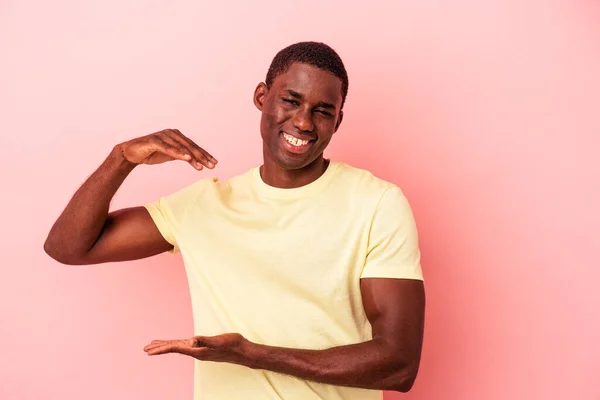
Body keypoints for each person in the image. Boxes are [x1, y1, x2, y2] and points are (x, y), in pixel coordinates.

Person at [44, 41, 425, 400]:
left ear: (338, 120)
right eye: (291, 101)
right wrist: (121, 158)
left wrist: (249, 354)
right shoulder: (203, 205)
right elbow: (68, 247)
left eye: (322, 111)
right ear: (262, 97)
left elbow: (398, 365)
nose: (304, 123)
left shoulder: (376, 203)